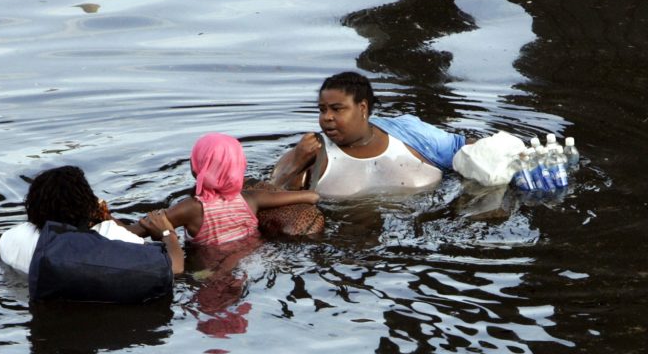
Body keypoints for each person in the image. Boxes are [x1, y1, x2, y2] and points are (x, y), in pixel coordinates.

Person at [0, 166, 182, 304]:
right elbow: (173, 268)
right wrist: (167, 232)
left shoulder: (10, 237)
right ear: (87, 205)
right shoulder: (111, 234)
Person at [271, 71, 469, 198]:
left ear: (362, 107)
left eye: (337, 109)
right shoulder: (313, 152)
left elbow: (474, 151)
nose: (327, 117)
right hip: (343, 243)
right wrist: (297, 160)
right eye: (322, 110)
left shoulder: (411, 134)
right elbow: (266, 192)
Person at [129, 133, 322, 246]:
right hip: (251, 260)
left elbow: (133, 233)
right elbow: (311, 197)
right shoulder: (252, 198)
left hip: (208, 270)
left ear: (197, 168)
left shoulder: (190, 208)